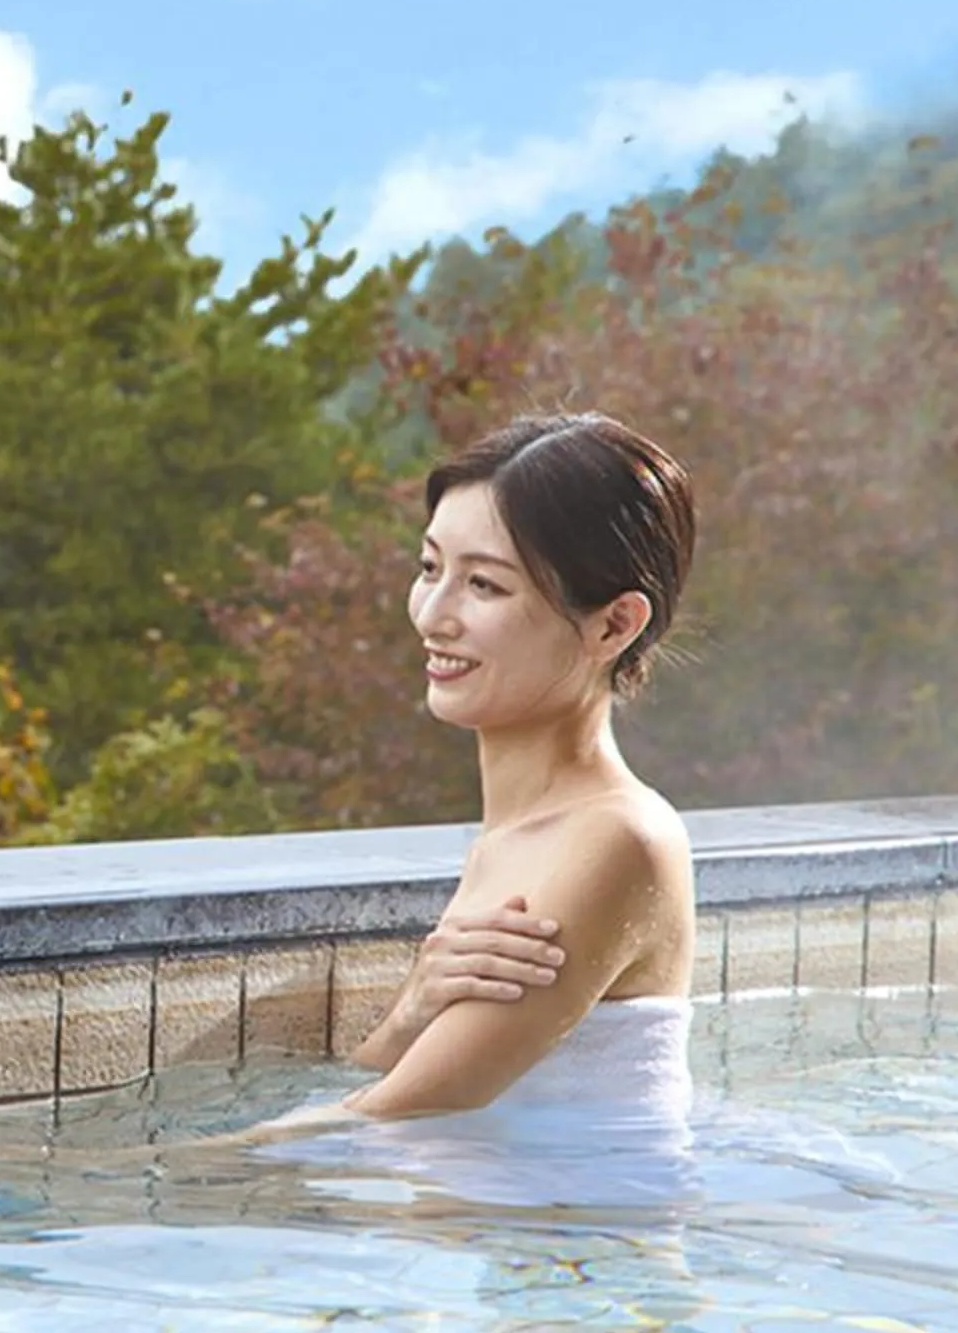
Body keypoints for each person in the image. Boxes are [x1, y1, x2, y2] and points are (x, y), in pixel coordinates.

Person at [273, 411, 699, 1135]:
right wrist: (412, 1009)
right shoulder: (513, 839)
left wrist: (131, 1179)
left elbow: (399, 1114)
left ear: (613, 624)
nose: (432, 616)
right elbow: (383, 1089)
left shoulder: (619, 840)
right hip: (504, 1203)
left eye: (484, 586)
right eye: (429, 568)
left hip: (590, 1211)